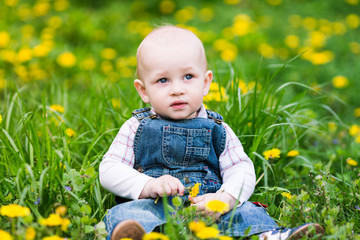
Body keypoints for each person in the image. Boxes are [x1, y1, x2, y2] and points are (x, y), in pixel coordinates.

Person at [99, 25, 324, 240]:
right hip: (155, 206)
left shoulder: (218, 128)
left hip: (210, 208)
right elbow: (109, 169)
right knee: (126, 215)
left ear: (206, 82)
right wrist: (147, 185)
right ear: (143, 90)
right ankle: (135, 235)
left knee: (246, 213)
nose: (177, 89)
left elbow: (240, 168)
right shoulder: (136, 126)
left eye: (188, 77)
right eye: (163, 80)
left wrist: (225, 199)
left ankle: (270, 235)